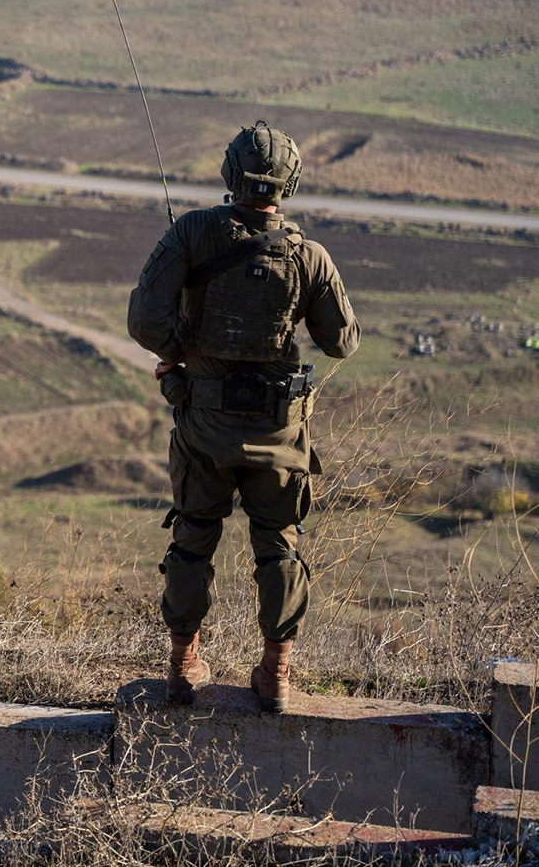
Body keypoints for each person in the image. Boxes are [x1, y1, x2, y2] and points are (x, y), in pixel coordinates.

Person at [126, 122, 360, 713]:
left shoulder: (193, 233)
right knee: (280, 546)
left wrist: (179, 356)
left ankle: (183, 664)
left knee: (192, 540)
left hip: (202, 422)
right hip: (279, 431)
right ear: (291, 182)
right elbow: (341, 344)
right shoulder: (310, 255)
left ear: (230, 175)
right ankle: (276, 673)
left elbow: (144, 323)